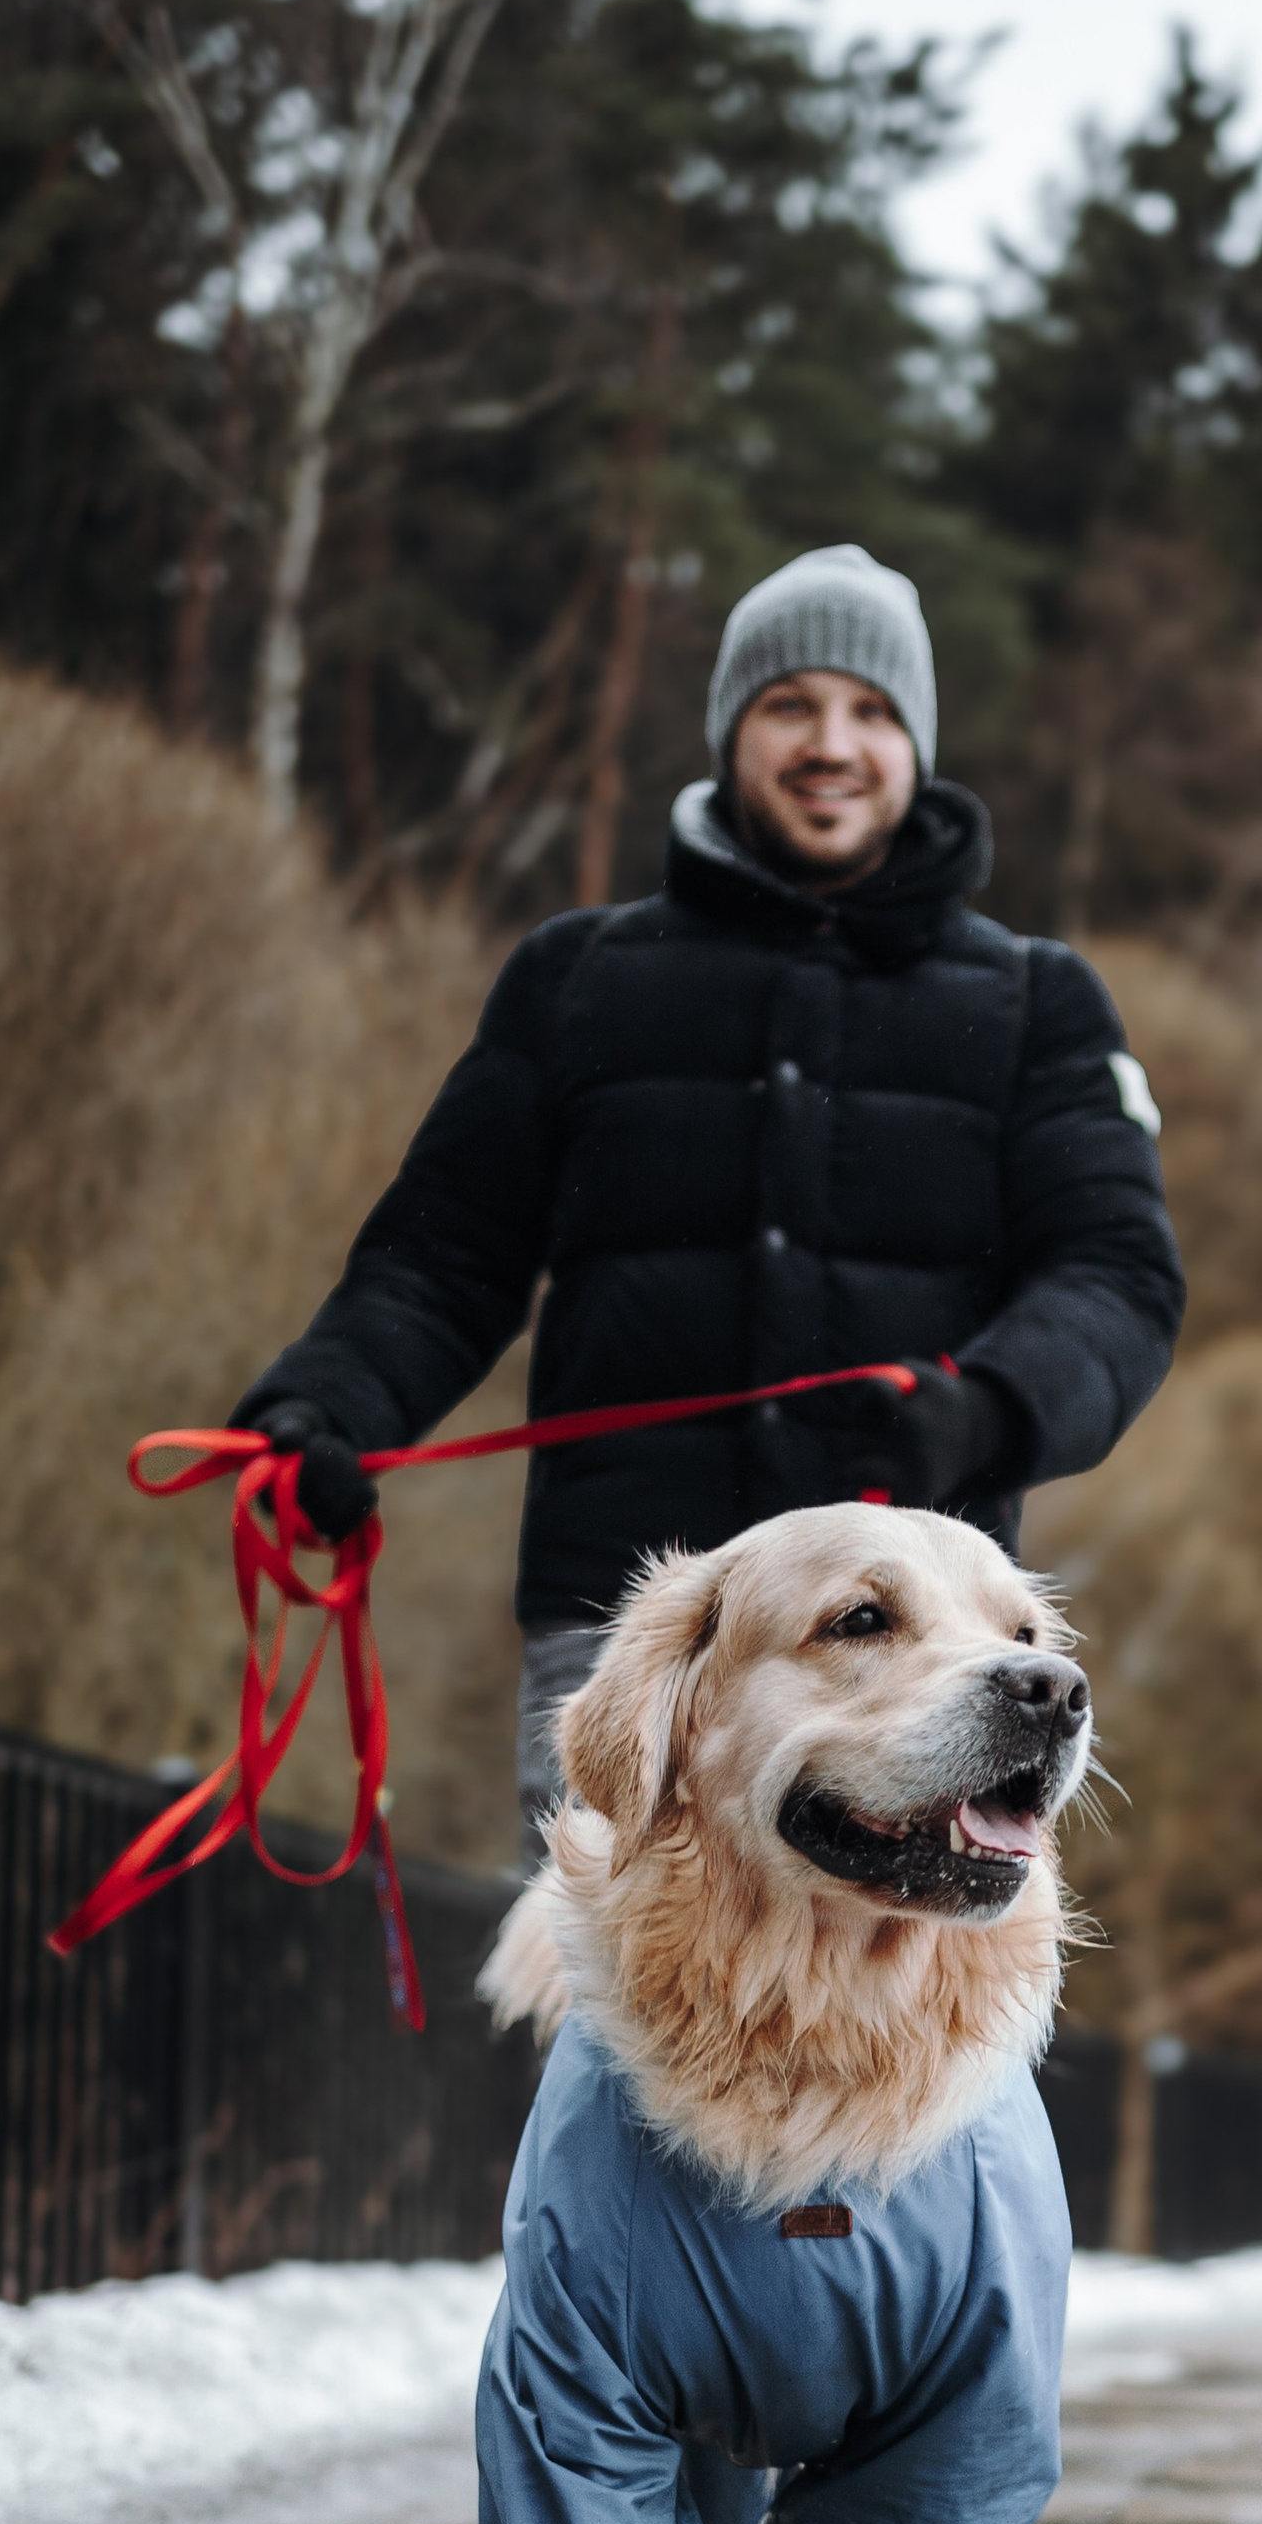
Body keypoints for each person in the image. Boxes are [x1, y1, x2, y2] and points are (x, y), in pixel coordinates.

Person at [233, 545, 1186, 1825]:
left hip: (917, 1652)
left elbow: (1117, 1281)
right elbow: (442, 1256)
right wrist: (325, 1406)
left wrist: (984, 1410)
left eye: (871, 710)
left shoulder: (1040, 1004)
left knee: (917, 1966)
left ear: (916, 744)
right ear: (733, 728)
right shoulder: (574, 978)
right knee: (600, 1956)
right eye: (790, 704)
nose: (830, 743)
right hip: (626, 1631)